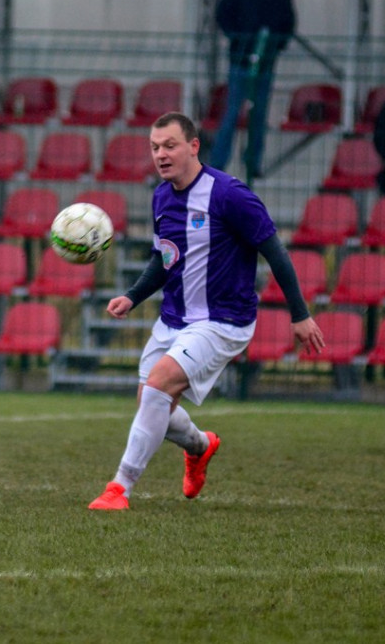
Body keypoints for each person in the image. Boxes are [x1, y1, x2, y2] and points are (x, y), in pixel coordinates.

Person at [87, 112, 325, 511]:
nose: (160, 155)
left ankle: (119, 488)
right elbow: (165, 260)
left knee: (160, 385)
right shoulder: (162, 196)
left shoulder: (230, 194)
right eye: (154, 147)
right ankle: (200, 446)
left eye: (170, 146)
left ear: (193, 146)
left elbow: (275, 252)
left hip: (222, 320)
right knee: (150, 400)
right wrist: (132, 296)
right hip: (174, 319)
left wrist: (299, 314)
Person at [210, 0, 295, 178]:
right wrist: (238, 38)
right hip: (240, 61)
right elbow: (223, 15)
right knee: (232, 113)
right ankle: (218, 162)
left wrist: (275, 45)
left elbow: (288, 23)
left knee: (259, 114)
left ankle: (252, 161)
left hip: (265, 63)